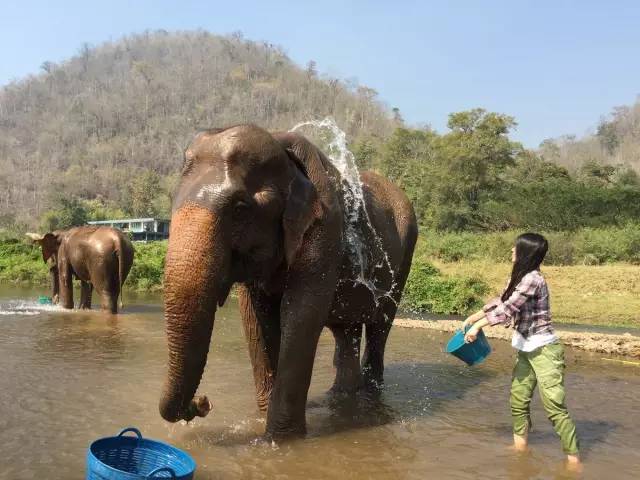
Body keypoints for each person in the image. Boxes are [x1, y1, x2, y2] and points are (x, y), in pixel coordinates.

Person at [462, 233, 581, 469]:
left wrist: (477, 327)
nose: (511, 252)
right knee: (518, 399)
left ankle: (573, 460)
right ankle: (520, 448)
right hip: (526, 347)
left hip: (545, 350)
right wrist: (474, 316)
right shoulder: (519, 277)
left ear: (525, 253)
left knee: (554, 406)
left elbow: (507, 310)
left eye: (515, 249)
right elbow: (502, 300)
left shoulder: (533, 279)